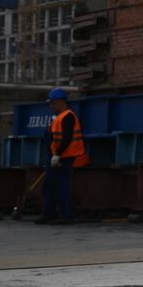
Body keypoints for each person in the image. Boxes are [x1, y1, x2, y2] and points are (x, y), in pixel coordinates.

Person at [41, 87, 89, 224]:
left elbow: (66, 138)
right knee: (50, 185)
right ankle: (50, 213)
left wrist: (57, 154)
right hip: (57, 157)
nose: (51, 106)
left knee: (61, 186)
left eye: (53, 103)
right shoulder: (59, 118)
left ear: (61, 102)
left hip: (64, 158)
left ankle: (64, 215)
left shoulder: (67, 116)